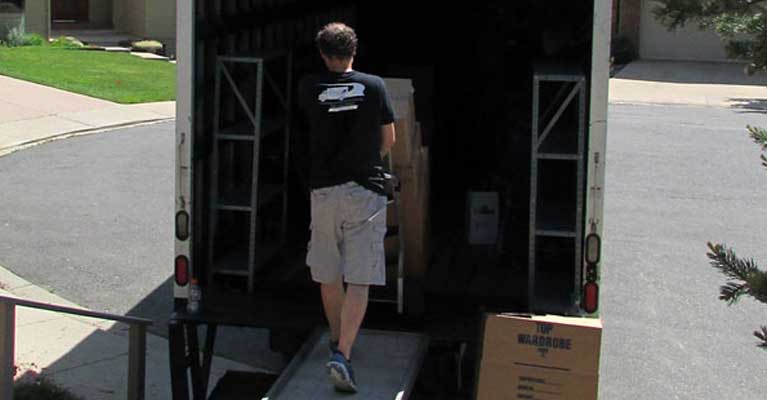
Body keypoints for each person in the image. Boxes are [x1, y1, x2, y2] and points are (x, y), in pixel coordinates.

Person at [297, 22, 397, 393]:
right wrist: (368, 158)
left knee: (328, 271)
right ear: (354, 50)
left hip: (323, 191)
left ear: (323, 54)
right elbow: (389, 138)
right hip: (364, 190)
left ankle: (336, 342)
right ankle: (343, 352)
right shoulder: (375, 86)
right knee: (360, 275)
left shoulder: (308, 87)